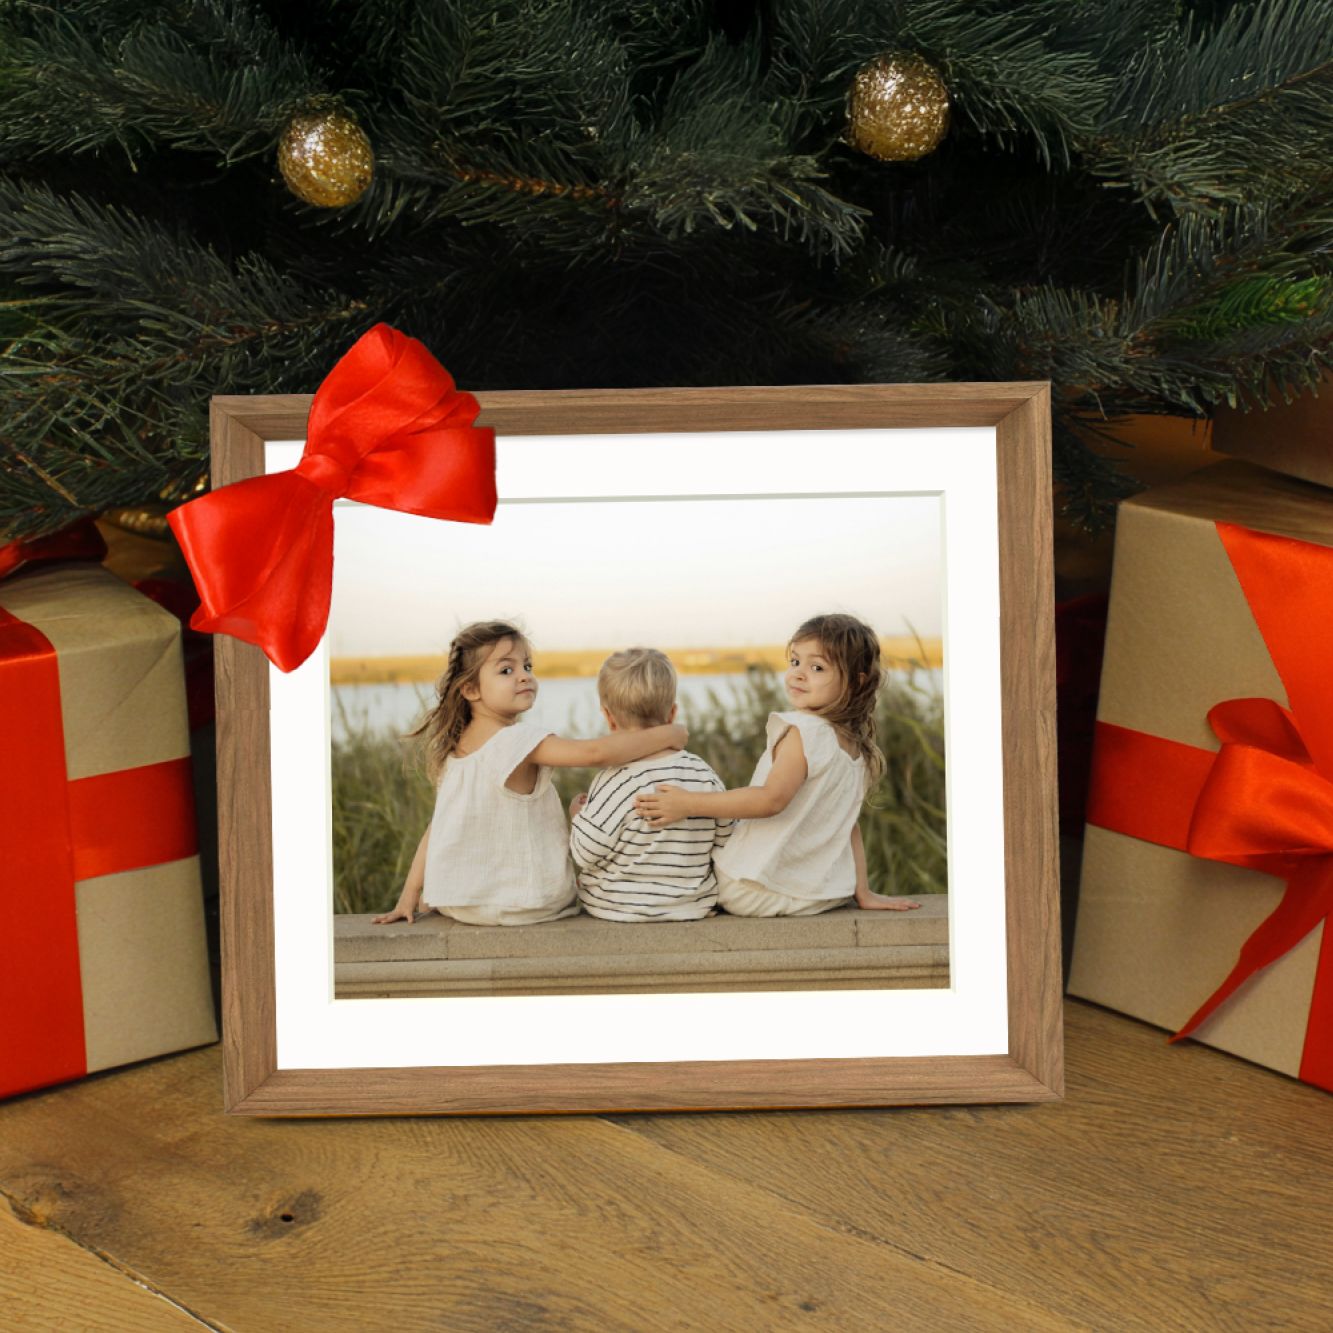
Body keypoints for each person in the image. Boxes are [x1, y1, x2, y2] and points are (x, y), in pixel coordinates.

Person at [373, 620, 687, 927]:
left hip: (461, 903)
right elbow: (595, 753)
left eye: (527, 667)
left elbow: (437, 827)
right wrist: (670, 734)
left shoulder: (459, 750)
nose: (524, 677)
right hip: (524, 903)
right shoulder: (516, 741)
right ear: (470, 689)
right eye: (506, 670)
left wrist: (409, 895)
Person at [634, 613, 922, 917]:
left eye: (817, 667)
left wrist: (688, 803)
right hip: (820, 894)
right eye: (795, 662)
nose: (798, 674)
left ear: (856, 681)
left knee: (690, 835)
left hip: (751, 889)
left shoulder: (805, 731)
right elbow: (849, 826)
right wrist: (862, 892)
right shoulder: (859, 750)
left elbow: (770, 799)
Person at [568, 648, 733, 921]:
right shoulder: (702, 772)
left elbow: (585, 853)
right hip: (690, 906)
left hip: (617, 908)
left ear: (608, 718)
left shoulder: (615, 778)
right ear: (672, 714)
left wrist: (578, 817)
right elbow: (726, 839)